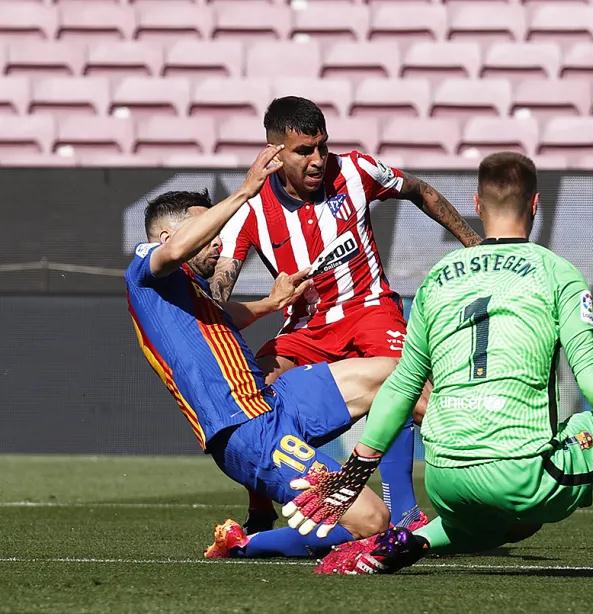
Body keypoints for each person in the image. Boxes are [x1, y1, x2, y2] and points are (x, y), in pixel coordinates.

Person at [277, 152, 593, 578]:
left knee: (486, 525)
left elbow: (404, 385)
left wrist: (353, 472)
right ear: (537, 206)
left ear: (477, 205)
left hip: (447, 481)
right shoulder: (556, 272)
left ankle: (403, 546)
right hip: (523, 475)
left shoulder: (438, 277)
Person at [210, 97, 482, 532]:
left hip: (369, 307)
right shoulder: (248, 208)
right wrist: (258, 296)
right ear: (274, 152)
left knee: (409, 385)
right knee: (253, 392)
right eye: (304, 151)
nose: (318, 159)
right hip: (306, 327)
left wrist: (474, 243)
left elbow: (421, 191)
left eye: (322, 146)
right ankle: (261, 509)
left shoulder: (355, 170)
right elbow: (218, 292)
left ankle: (421, 507)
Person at [125, 146, 399, 559]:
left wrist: (272, 303)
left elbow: (224, 315)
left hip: (275, 402)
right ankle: (243, 545)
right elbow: (173, 252)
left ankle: (473, 460)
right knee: (373, 523)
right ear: (168, 235)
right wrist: (243, 192)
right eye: (206, 231)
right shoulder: (146, 266)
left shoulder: (186, 289)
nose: (217, 241)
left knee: (397, 373)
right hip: (247, 431)